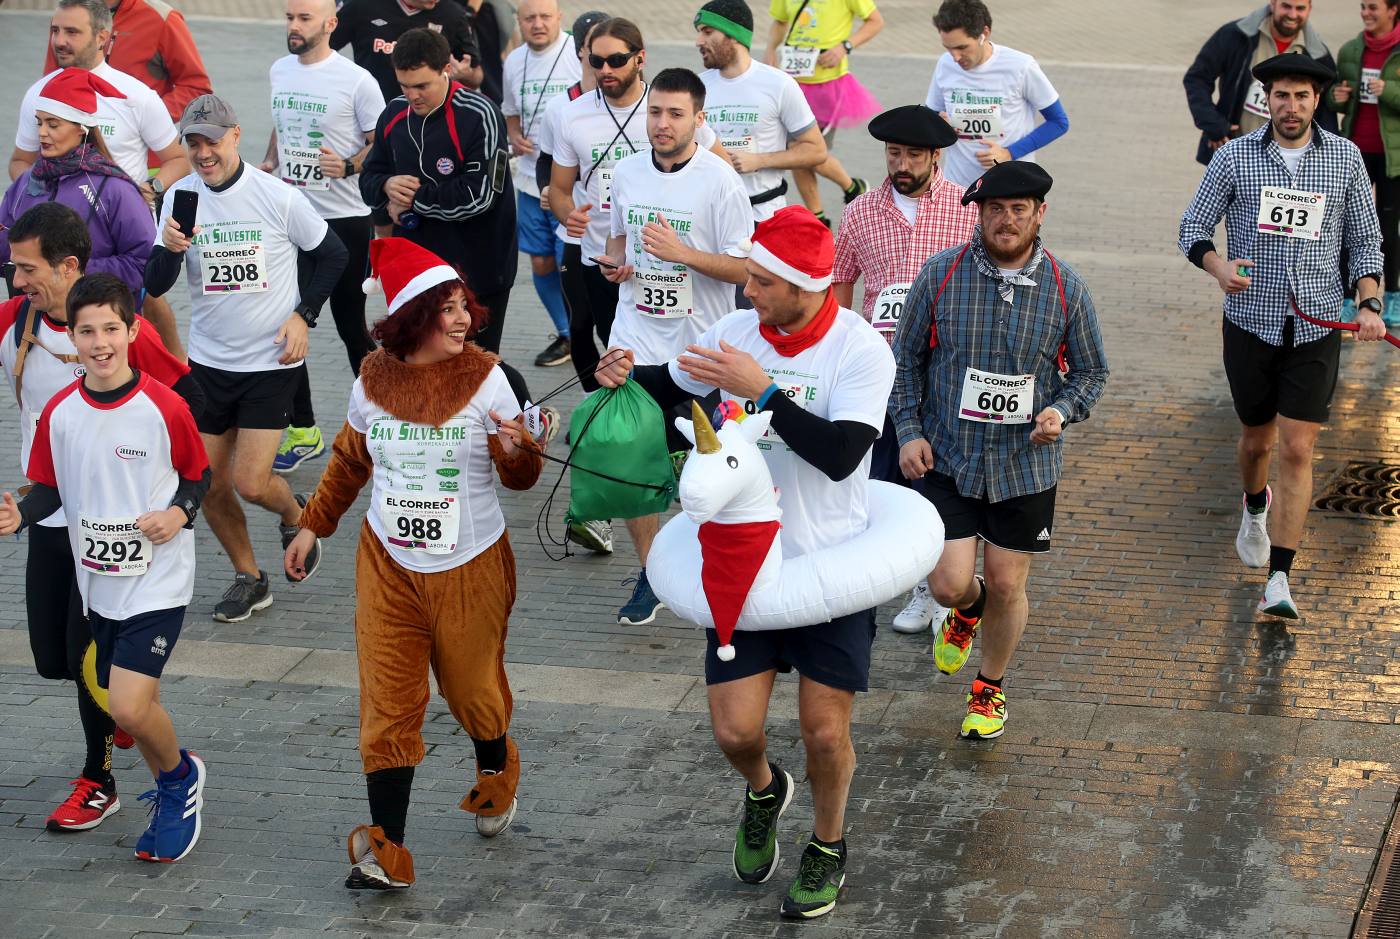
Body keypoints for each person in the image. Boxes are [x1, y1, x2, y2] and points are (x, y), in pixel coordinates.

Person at [595, 206, 894, 920]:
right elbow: (671, 384)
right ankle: (765, 788)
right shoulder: (733, 331)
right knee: (733, 730)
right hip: (740, 563)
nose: (747, 290)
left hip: (829, 567)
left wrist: (763, 391)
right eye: (750, 276)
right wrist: (617, 374)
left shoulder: (859, 349)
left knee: (825, 729)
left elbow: (843, 452)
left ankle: (827, 843)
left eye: (762, 281)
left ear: (804, 287)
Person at [283, 237, 542, 890]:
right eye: (446, 309)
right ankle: (387, 849)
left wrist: (518, 449)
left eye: (464, 308)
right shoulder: (373, 379)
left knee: (472, 693)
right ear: (409, 317)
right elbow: (348, 461)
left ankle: (495, 762)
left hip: (470, 566)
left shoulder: (489, 380)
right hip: (387, 565)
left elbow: (521, 477)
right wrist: (313, 524)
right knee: (388, 704)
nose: (462, 320)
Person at [893, 161, 1109, 740]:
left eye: (1019, 210)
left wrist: (1060, 413)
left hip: (1025, 465)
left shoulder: (1068, 287)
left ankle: (989, 689)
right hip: (948, 458)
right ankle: (967, 609)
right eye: (995, 210)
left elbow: (1090, 374)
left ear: (1040, 214)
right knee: (946, 583)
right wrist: (908, 431)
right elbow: (905, 361)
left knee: (1010, 584)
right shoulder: (940, 276)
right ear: (979, 214)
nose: (1006, 221)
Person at [0, 273, 210, 863]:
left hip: (158, 581)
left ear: (132, 331)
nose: (99, 342)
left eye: (110, 329)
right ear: (73, 336)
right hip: (97, 584)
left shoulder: (164, 406)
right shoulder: (62, 412)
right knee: (133, 705)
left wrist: (178, 514)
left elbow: (199, 476)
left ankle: (178, 784)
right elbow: (48, 489)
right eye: (86, 330)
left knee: (127, 707)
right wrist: (21, 513)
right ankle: (173, 773)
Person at [1180, 52, 1387, 619]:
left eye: (1301, 96)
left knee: (1297, 447)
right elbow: (1192, 227)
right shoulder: (1236, 158)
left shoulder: (1344, 160)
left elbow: (1366, 244)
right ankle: (1254, 506)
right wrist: (1220, 269)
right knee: (1257, 442)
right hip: (1252, 323)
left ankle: (1279, 577)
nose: (1290, 107)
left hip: (1316, 324)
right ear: (1265, 100)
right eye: (1280, 96)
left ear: (1317, 100)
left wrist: (1369, 301)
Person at [144, 94, 349, 623]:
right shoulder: (180, 199)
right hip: (210, 365)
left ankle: (293, 511)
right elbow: (156, 285)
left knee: (251, 482)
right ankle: (250, 577)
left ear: (235, 135)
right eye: (193, 142)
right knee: (207, 481)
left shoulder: (275, 196)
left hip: (270, 364)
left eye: (212, 140)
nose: (203, 152)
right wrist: (167, 248)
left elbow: (333, 255)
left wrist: (304, 314)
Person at [596, 67, 753, 625]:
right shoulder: (628, 170)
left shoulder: (720, 181)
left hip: (699, 352)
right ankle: (653, 573)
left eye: (675, 114)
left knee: (702, 469)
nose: (662, 124)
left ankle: (710, 562)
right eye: (655, 112)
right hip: (634, 338)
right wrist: (617, 263)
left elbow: (745, 267)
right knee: (631, 465)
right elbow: (619, 236)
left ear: (698, 118)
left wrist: (683, 253)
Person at [831, 104, 975, 633]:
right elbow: (841, 282)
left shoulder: (965, 208)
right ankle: (902, 578)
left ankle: (934, 586)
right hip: (879, 366)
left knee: (936, 475)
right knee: (884, 475)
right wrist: (840, 345)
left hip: (943, 366)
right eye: (894, 154)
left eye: (913, 155)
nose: (902, 164)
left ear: (936, 157)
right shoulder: (862, 211)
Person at [548, 17, 723, 390]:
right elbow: (560, 190)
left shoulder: (667, 108)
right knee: (599, 335)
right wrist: (568, 217)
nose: (605, 70)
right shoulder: (571, 116)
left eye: (615, 60)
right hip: (602, 254)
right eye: (596, 62)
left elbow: (720, 172)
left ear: (640, 58)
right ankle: (605, 414)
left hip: (669, 258)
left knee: (662, 351)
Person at [11, 0, 192, 359]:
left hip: (118, 229)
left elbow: (176, 159)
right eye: (55, 31)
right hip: (50, 251)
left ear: (103, 37)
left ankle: (177, 375)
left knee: (145, 309)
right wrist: (38, 196)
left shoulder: (135, 95)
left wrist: (150, 189)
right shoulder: (39, 94)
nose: (60, 41)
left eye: (72, 32)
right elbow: (20, 163)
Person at [261, 0, 388, 474]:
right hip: (292, 218)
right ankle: (304, 428)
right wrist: (271, 161)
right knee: (283, 321)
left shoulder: (356, 81)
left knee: (350, 325)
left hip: (345, 220)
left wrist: (351, 164)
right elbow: (282, 126)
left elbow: (382, 143)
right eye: (289, 17)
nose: (293, 26)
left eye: (304, 18)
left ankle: (384, 416)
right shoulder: (279, 69)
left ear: (330, 25)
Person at [360, 28, 517, 356]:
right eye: (404, 85)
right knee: (419, 367)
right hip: (419, 274)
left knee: (475, 372)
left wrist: (412, 202)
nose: (412, 95)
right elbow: (370, 178)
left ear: (446, 69)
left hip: (479, 271)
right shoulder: (393, 113)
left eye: (421, 86)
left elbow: (480, 195)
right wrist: (387, 187)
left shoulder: (480, 114)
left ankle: (522, 409)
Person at [1, 69, 156, 297]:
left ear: (81, 129)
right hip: (32, 318)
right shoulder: (26, 181)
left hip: (94, 320)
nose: (41, 133)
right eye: (39, 123)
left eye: (53, 125)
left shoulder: (115, 189)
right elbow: (6, 243)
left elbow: (143, 263)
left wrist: (71, 272)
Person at [694, 0, 826, 223]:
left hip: (766, 218)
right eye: (699, 33)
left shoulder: (778, 84)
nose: (698, 42)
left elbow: (817, 151)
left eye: (707, 32)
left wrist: (759, 160)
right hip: (711, 217)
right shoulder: (696, 87)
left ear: (733, 34)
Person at [502, 0, 582, 368]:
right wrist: (515, 136)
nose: (538, 24)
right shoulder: (514, 60)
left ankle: (586, 331)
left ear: (559, 19)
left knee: (574, 262)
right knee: (540, 261)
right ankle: (566, 333)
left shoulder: (576, 54)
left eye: (545, 17)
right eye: (529, 18)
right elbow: (511, 113)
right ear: (519, 21)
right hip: (530, 180)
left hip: (570, 182)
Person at [924, 0, 1069, 190]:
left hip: (1010, 188)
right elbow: (929, 117)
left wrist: (1009, 153)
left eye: (962, 47)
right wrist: (939, 125)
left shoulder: (1020, 66)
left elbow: (1059, 122)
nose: (955, 57)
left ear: (984, 33)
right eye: (948, 48)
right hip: (958, 188)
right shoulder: (945, 64)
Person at [763, 0, 881, 226]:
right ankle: (819, 218)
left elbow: (875, 21)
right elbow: (779, 21)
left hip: (828, 85)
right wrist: (770, 50)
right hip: (793, 83)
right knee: (796, 154)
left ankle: (852, 187)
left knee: (808, 152)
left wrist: (844, 46)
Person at [1184, 0, 1338, 166]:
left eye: (1300, 8)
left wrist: (1326, 155)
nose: (1292, 15)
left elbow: (1325, 110)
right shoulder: (1236, 36)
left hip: (1290, 161)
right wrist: (1214, 124)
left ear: (1309, 10)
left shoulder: (1318, 54)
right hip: (1235, 151)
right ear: (1273, 4)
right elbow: (1197, 78)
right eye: (1286, 6)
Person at [1327, 0, 1400, 326]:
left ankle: (1392, 296)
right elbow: (1330, 95)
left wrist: (1389, 91)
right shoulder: (1351, 50)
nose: (1366, 13)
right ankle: (1344, 297)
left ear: (1393, 10)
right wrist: (1334, 97)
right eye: (1363, 7)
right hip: (1354, 152)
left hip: (1392, 155)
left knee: (1387, 229)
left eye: (1373, 7)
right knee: (1343, 226)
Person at [41, 0, 213, 122]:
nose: (60, 39)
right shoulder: (67, 15)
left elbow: (195, 88)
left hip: (144, 161)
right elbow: (52, 81)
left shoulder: (161, 18)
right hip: (77, 156)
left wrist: (148, 118)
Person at [332, 0, 486, 106]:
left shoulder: (452, 14)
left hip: (427, 119)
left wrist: (464, 74)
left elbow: (476, 77)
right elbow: (322, 50)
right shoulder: (361, 6)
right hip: (369, 114)